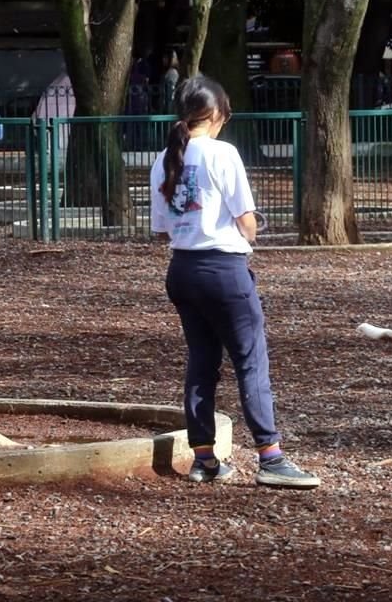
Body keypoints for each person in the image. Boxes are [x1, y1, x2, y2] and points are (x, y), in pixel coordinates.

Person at [149, 75, 320, 489]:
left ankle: (204, 459)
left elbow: (160, 228)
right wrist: (251, 228)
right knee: (250, 361)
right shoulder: (222, 153)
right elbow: (246, 221)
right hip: (223, 270)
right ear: (215, 113)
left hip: (182, 271)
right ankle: (271, 458)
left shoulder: (163, 158)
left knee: (202, 362)